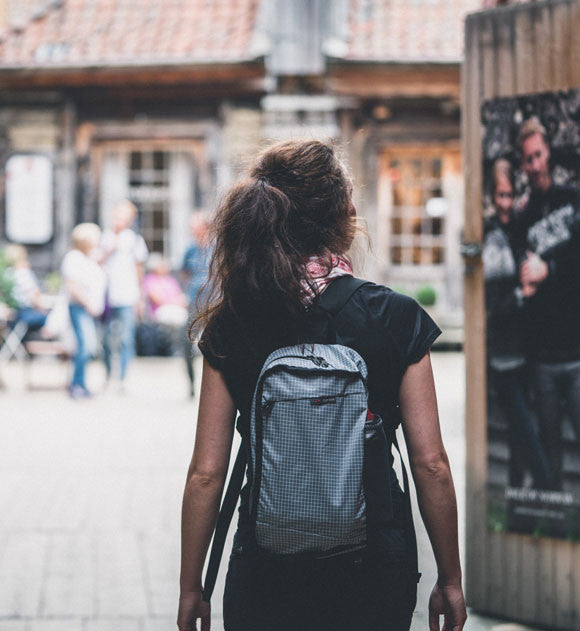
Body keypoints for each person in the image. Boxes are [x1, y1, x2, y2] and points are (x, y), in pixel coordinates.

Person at [177, 140, 466, 631]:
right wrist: (451, 578)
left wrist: (191, 587)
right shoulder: (394, 318)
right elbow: (430, 463)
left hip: (265, 567)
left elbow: (207, 473)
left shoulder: (235, 323)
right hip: (373, 566)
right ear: (344, 216)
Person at [515, 117, 580, 488]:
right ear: (522, 165)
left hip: (578, 356)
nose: (534, 164)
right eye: (527, 159)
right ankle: (558, 528)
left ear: (549, 154)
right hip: (543, 360)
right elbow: (520, 278)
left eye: (538, 155)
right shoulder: (522, 217)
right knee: (551, 459)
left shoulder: (572, 200)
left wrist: (548, 269)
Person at [483, 159, 553, 490]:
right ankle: (547, 486)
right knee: (525, 428)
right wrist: (523, 294)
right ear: (491, 196)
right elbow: (494, 307)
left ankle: (516, 505)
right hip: (503, 353)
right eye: (499, 195)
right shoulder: (492, 236)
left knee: (517, 433)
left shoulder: (518, 229)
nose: (505, 203)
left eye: (510, 195)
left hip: (526, 348)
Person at [100, 200, 148, 391]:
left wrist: (140, 297)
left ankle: (122, 379)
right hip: (106, 295)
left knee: (126, 338)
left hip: (128, 295)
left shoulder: (135, 240)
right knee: (105, 338)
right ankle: (108, 374)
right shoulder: (104, 237)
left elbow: (139, 269)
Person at [61, 223, 106, 399]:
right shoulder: (73, 258)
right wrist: (88, 303)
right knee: (85, 346)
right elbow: (72, 285)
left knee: (87, 346)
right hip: (79, 308)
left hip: (88, 310)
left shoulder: (87, 258)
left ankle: (81, 383)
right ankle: (76, 384)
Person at [181, 211, 212, 397]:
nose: (192, 230)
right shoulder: (190, 249)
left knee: (214, 347)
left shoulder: (217, 247)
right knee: (187, 343)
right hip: (194, 303)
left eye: (195, 226)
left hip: (215, 304)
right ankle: (192, 385)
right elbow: (184, 272)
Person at [5, 244, 49, 335]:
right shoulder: (24, 274)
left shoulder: (6, 274)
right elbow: (34, 297)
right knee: (52, 318)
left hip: (11, 317)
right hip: (24, 315)